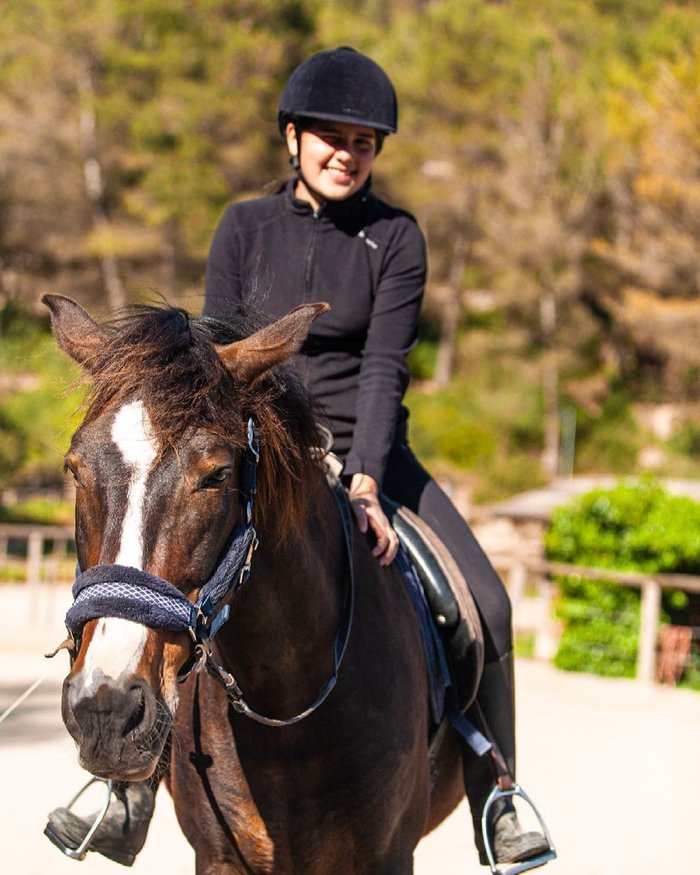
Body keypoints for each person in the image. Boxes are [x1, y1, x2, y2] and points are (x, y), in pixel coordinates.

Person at [46, 47, 550, 869]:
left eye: (364, 141)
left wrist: (368, 475)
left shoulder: (396, 238)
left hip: (368, 453)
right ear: (292, 136)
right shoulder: (244, 225)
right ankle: (128, 783)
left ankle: (498, 789)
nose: (347, 152)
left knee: (486, 601)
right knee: (181, 576)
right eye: (331, 136)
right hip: (254, 448)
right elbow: (204, 358)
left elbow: (387, 364)